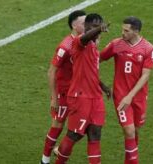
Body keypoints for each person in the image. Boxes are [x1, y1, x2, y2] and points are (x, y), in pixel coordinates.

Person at [55, 13, 110, 164]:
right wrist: (98, 29)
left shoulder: (93, 48)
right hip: (80, 97)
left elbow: (91, 73)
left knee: (95, 134)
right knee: (74, 135)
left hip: (96, 98)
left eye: (100, 26)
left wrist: (103, 86)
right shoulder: (79, 43)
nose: (98, 30)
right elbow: (85, 38)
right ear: (86, 27)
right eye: (94, 26)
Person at [100, 16, 153, 164]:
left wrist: (130, 96)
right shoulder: (116, 45)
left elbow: (146, 75)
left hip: (138, 97)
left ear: (136, 31)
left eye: (126, 30)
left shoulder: (148, 48)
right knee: (129, 131)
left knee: (135, 131)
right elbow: (96, 60)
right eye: (122, 29)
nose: (122, 33)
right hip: (121, 96)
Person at [40, 10, 86, 164]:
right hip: (65, 93)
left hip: (79, 93)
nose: (86, 25)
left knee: (86, 126)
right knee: (58, 125)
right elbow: (51, 72)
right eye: (83, 22)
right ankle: (44, 160)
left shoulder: (84, 42)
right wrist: (54, 98)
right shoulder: (65, 46)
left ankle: (60, 148)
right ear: (74, 25)